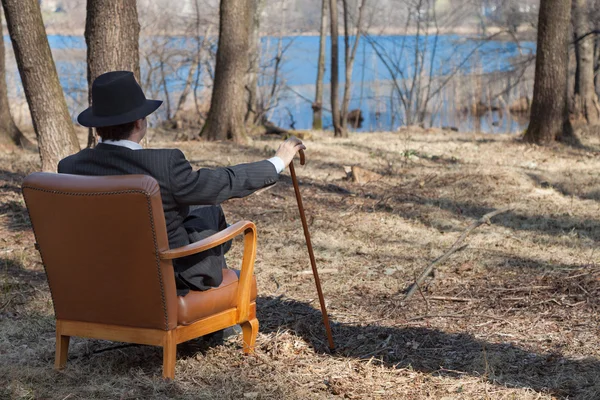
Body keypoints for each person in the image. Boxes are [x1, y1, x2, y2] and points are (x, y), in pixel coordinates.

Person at [58, 70, 305, 298]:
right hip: (167, 278)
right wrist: (277, 161)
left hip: (100, 280)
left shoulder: (69, 168)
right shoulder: (163, 164)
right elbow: (223, 182)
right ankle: (215, 307)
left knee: (202, 207)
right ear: (139, 122)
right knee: (210, 211)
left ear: (97, 128)